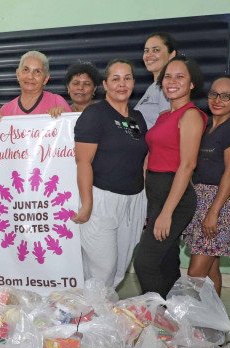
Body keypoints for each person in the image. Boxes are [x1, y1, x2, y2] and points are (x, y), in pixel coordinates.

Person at [132, 55, 206, 296]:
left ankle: (156, 315)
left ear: (192, 83)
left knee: (145, 261)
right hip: (157, 193)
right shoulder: (165, 116)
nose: (172, 81)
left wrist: (166, 212)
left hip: (175, 195)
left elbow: (187, 165)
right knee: (166, 259)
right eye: (167, 77)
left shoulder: (191, 115)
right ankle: (173, 318)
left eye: (180, 76)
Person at [72, 59, 148, 289]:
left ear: (133, 82)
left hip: (134, 200)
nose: (121, 84)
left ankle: (100, 314)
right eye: (115, 79)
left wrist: (145, 200)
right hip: (102, 200)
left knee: (119, 267)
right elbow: (83, 161)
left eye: (127, 78)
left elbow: (142, 159)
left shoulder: (138, 118)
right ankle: (89, 319)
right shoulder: (94, 114)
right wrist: (87, 204)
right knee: (103, 268)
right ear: (105, 84)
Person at [184, 75, 230, 294]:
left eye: (226, 96)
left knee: (195, 275)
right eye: (213, 93)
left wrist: (214, 212)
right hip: (198, 201)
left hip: (218, 204)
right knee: (210, 271)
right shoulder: (206, 124)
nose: (217, 100)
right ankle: (213, 324)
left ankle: (197, 323)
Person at [0, 51, 71, 116]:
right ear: (18, 74)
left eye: (37, 72)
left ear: (46, 79)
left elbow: (71, 127)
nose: (30, 77)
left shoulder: (57, 102)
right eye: (26, 70)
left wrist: (64, 117)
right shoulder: (5, 110)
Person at [135, 32, 177, 128]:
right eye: (146, 51)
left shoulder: (168, 86)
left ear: (172, 55)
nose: (149, 55)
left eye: (156, 50)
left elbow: (168, 127)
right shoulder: (153, 87)